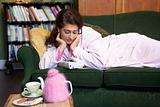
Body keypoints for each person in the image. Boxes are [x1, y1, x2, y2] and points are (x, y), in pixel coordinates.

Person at [39, 9, 160, 70]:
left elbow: (101, 62)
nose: (71, 36)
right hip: (121, 52)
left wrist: (75, 49)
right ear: (59, 28)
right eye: (67, 32)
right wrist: (61, 48)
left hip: (128, 46)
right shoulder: (58, 42)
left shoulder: (87, 33)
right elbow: (43, 66)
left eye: (74, 32)